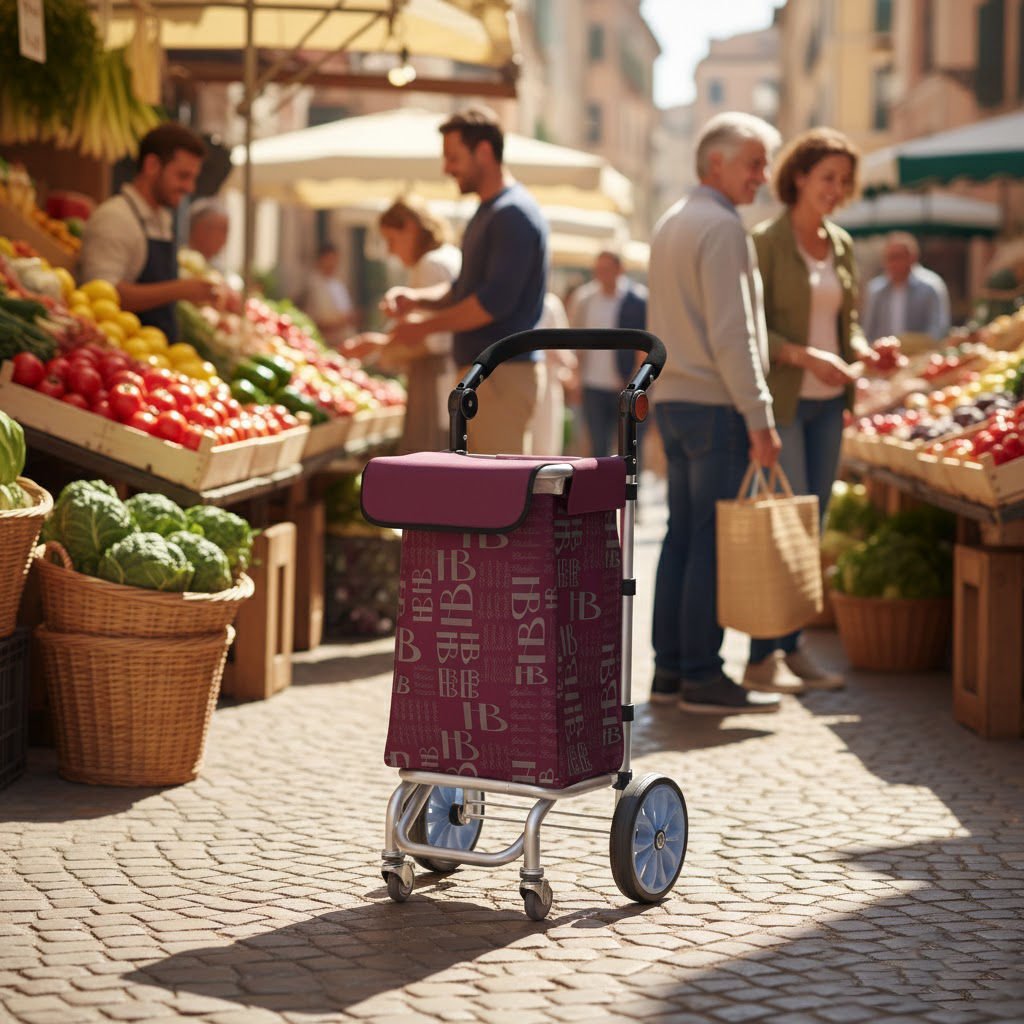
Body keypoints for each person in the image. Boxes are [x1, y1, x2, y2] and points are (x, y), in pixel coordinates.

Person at [647, 111, 783, 716]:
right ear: (717, 163)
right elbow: (735, 335)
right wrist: (761, 416)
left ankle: (670, 672)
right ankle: (703, 674)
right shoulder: (723, 228)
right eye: (754, 162)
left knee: (682, 536)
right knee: (708, 541)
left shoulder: (672, 220)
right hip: (714, 404)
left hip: (675, 400)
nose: (763, 175)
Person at [744, 127, 874, 694]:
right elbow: (751, 328)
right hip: (786, 401)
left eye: (844, 181)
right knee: (782, 525)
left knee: (811, 526)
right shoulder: (765, 241)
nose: (837, 189)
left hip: (830, 405)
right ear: (798, 175)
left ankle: (793, 648)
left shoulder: (841, 243)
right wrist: (804, 356)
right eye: (828, 177)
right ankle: (760, 657)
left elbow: (847, 324)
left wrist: (864, 351)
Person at [382, 106, 549, 456]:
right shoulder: (491, 211)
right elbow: (463, 291)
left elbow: (490, 304)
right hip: (489, 376)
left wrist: (423, 328)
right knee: (489, 493)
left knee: (500, 495)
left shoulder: (511, 214)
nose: (446, 168)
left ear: (484, 152)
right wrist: (417, 300)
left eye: (453, 157)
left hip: (502, 377)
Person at [79, 122, 218, 342]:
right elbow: (102, 293)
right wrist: (180, 290)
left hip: (156, 352)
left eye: (193, 178)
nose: (190, 188)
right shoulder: (116, 218)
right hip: (122, 352)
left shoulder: (162, 218)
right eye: (183, 176)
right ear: (152, 165)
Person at [343, 196, 461, 453]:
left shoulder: (431, 264)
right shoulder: (446, 257)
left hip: (435, 380)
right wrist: (381, 344)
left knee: (429, 460)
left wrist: (384, 349)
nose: (390, 250)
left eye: (391, 240)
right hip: (444, 377)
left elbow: (436, 341)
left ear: (410, 228)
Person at [567, 250, 648, 457]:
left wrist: (635, 381)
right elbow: (575, 342)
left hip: (625, 386)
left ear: (620, 270)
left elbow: (644, 344)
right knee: (598, 449)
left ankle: (628, 489)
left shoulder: (638, 300)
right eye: (598, 269)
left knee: (629, 449)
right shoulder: (585, 299)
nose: (601, 274)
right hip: (593, 386)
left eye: (607, 269)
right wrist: (576, 378)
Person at [862, 232, 951, 343]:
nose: (892, 263)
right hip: (884, 356)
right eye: (889, 258)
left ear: (912, 258)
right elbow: (868, 331)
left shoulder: (931, 287)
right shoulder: (875, 289)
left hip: (920, 356)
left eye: (897, 257)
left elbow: (938, 328)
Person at [528, 292, 577, 456]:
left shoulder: (549, 303)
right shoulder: (550, 304)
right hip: (543, 387)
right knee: (544, 446)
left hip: (544, 385)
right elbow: (564, 355)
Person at [305, 243, 358, 347]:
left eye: (334, 259)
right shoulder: (312, 285)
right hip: (324, 343)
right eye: (328, 259)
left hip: (344, 341)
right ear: (320, 260)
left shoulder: (338, 284)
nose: (332, 263)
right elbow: (314, 321)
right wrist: (340, 323)